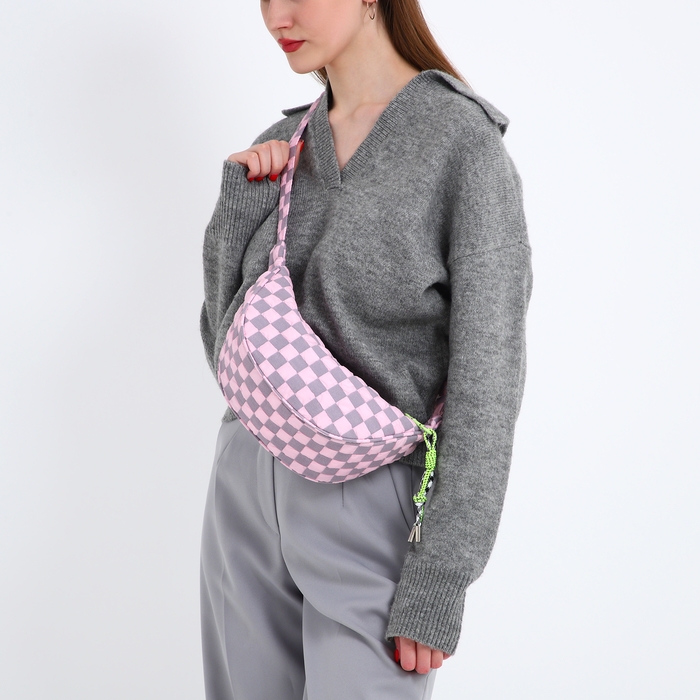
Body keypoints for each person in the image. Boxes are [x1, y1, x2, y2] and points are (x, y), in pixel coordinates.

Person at [198, 0, 532, 698]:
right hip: (244, 482)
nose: (277, 15)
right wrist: (243, 206)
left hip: (371, 499)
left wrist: (441, 575)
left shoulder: (460, 147)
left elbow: (488, 379)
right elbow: (225, 351)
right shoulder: (282, 143)